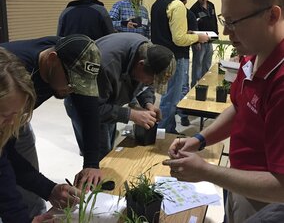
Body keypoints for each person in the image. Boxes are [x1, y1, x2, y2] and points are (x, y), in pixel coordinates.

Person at [163, 0, 284, 222]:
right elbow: (240, 108)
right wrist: (199, 139)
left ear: (272, 16)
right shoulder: (252, 54)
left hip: (268, 201)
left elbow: (281, 186)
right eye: (224, 21)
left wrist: (208, 171)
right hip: (240, 179)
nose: (227, 32)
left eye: (234, 22)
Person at [1, 34, 101, 219]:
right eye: (71, 83)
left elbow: (90, 112)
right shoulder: (15, 72)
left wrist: (91, 163)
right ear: (52, 60)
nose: (72, 90)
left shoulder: (71, 56)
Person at [64, 32, 176, 159]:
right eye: (151, 80)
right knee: (99, 155)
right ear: (140, 65)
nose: (151, 84)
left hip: (107, 99)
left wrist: (147, 103)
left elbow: (144, 85)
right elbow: (92, 109)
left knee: (107, 146)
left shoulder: (148, 52)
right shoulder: (105, 65)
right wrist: (131, 114)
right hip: (83, 104)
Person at [151, 0, 209, 134]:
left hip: (161, 56)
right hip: (175, 58)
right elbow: (179, 39)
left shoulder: (158, 3)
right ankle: (163, 132)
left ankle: (167, 128)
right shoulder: (177, 5)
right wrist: (198, 37)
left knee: (167, 96)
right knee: (171, 98)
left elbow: (166, 32)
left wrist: (187, 34)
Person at [190, 0, 219, 88]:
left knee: (207, 64)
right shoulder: (193, 9)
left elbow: (214, 20)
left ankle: (204, 86)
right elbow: (192, 27)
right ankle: (194, 86)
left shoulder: (211, 5)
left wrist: (216, 34)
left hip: (209, 40)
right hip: (199, 42)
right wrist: (196, 42)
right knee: (197, 65)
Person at [179, 0, 199, 127]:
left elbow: (193, 34)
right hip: (173, 55)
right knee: (174, 88)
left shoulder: (189, 14)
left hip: (183, 55)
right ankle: (177, 111)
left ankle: (183, 115)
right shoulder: (170, 11)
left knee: (183, 85)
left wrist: (193, 36)